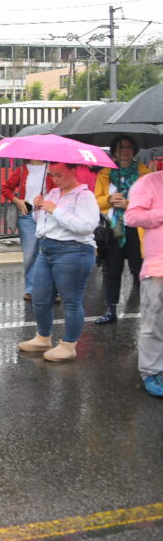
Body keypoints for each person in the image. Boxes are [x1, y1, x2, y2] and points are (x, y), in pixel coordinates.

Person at [17, 163, 99, 361]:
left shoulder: (84, 196)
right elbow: (43, 224)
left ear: (73, 171)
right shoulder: (53, 193)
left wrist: (55, 210)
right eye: (53, 175)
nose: (55, 179)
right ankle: (43, 336)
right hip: (47, 249)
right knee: (40, 297)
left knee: (71, 301)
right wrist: (38, 209)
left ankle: (68, 345)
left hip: (74, 251)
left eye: (60, 175)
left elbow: (87, 226)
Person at [94, 135, 152, 325]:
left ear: (134, 151)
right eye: (120, 148)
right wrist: (108, 200)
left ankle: (149, 312)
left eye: (128, 147)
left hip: (137, 230)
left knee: (140, 273)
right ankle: (111, 310)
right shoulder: (104, 174)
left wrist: (129, 204)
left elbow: (152, 202)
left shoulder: (145, 174)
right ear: (114, 153)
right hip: (113, 229)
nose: (125, 150)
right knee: (112, 271)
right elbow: (96, 201)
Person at [124, 170, 163, 397]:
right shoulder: (148, 182)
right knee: (153, 323)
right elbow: (132, 216)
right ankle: (152, 372)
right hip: (158, 266)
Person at [1, 159, 53, 301]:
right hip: (27, 216)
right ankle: (31, 288)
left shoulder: (52, 169)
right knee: (30, 254)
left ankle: (52, 289)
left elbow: (59, 190)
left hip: (48, 215)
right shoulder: (22, 170)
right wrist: (17, 201)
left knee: (51, 252)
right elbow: (5, 188)